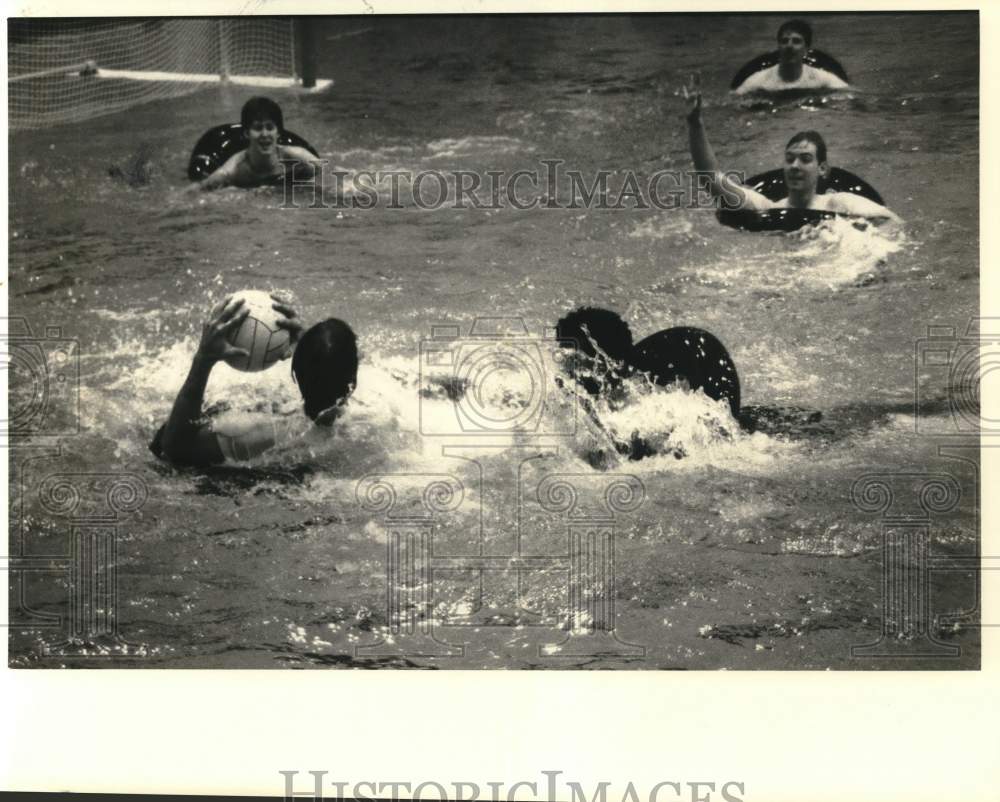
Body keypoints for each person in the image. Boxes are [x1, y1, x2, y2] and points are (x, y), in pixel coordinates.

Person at [150, 295, 358, 467]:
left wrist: (203, 359)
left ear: (295, 373)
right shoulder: (370, 409)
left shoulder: (261, 433)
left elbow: (174, 450)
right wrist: (310, 346)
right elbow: (339, 369)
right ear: (353, 381)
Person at [685, 74, 901, 221]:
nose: (795, 165)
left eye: (805, 159)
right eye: (789, 159)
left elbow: (892, 221)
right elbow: (711, 178)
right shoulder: (768, 208)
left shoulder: (839, 204)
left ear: (822, 169)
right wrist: (696, 125)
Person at [555, 307, 741, 463]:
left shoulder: (644, 404)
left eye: (569, 358)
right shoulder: (615, 384)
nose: (562, 365)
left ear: (597, 358)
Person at [192, 97, 323, 191]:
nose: (265, 134)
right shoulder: (234, 170)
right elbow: (198, 190)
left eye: (270, 128)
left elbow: (331, 175)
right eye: (258, 128)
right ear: (246, 134)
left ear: (278, 133)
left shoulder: (297, 157)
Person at [733, 20, 849, 95]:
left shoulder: (820, 78)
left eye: (796, 41)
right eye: (784, 41)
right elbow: (733, 98)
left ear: (807, 49)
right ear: (778, 47)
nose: (789, 46)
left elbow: (850, 94)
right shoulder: (761, 80)